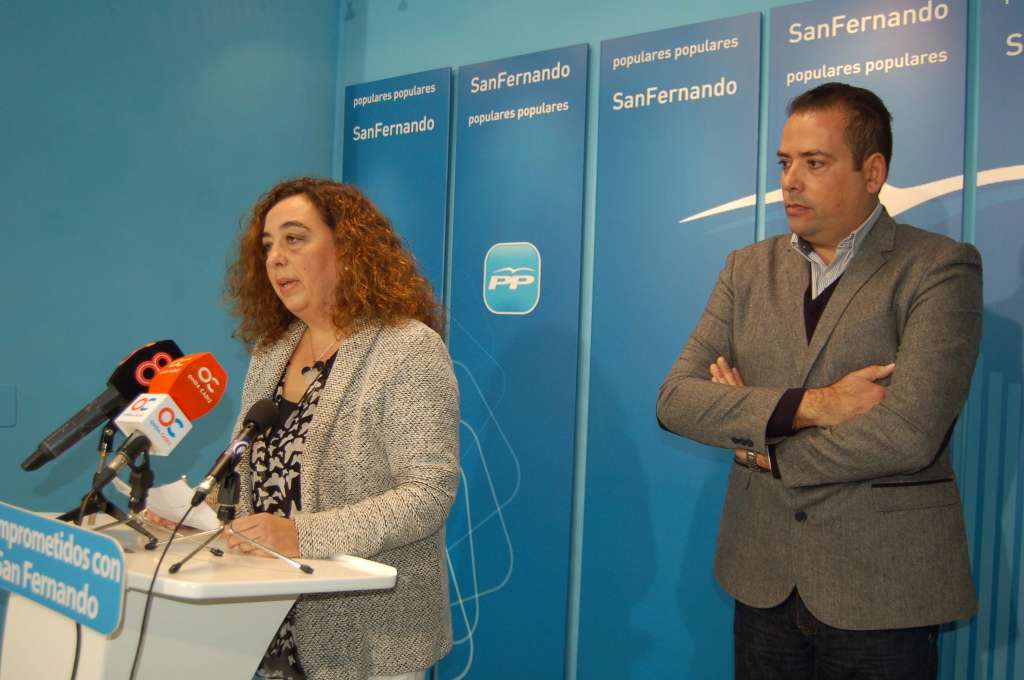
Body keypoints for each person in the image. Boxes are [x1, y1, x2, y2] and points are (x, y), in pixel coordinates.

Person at [656, 82, 981, 679]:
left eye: (815, 163)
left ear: (872, 172)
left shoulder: (938, 268)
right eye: (785, 163)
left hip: (882, 588)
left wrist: (766, 450)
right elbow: (676, 400)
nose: (791, 182)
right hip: (761, 574)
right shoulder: (746, 270)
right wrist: (815, 406)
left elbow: (909, 433)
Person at [221, 177, 458, 680]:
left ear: (349, 249)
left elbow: (427, 494)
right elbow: (249, 474)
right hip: (266, 626)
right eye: (268, 245)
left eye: (294, 239)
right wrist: (200, 521)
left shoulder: (407, 348)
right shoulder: (271, 353)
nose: (275, 258)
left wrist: (300, 535)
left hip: (369, 635)